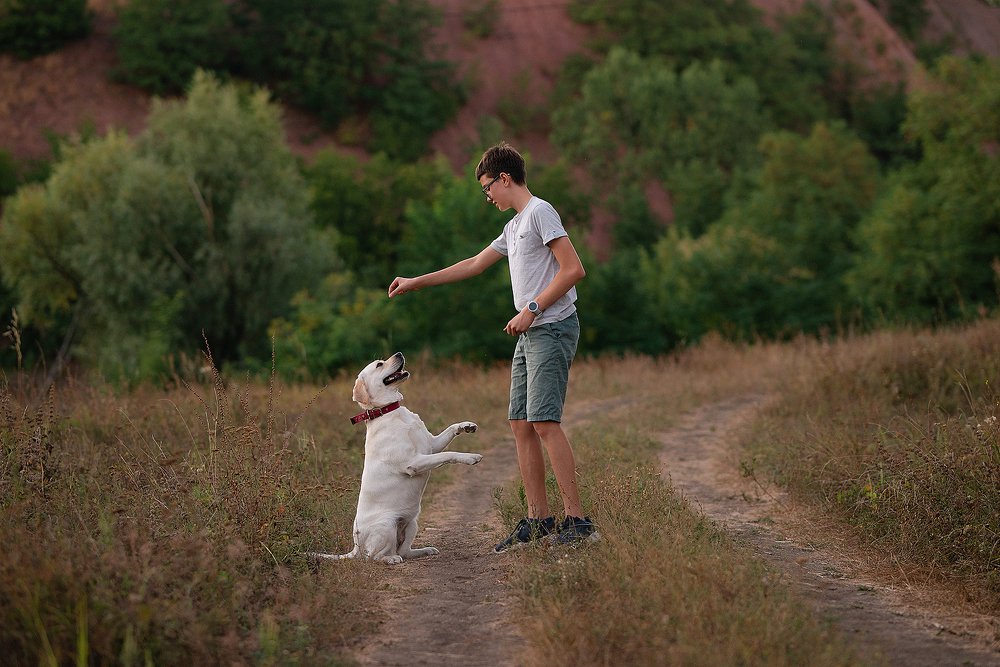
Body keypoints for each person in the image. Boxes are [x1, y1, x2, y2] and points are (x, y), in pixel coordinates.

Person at [388, 141, 595, 552]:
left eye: (487, 188)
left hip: (550, 328)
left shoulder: (540, 212)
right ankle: (539, 521)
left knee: (544, 423)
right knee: (520, 425)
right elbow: (472, 265)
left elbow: (574, 269)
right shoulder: (514, 226)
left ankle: (579, 521)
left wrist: (532, 309)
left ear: (504, 178)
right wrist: (416, 281)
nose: (487, 196)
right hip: (530, 334)